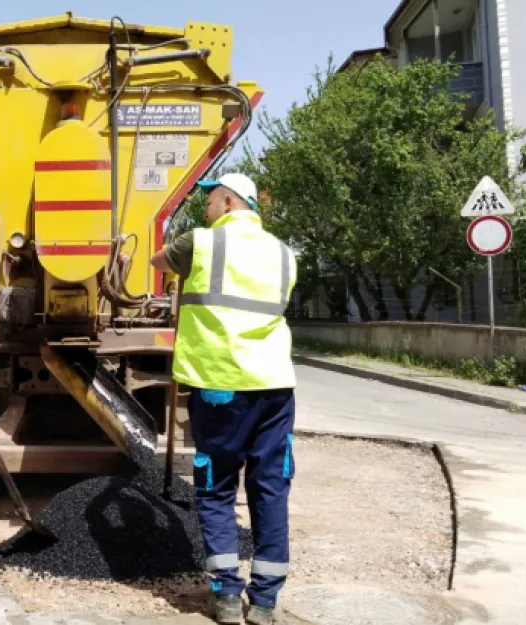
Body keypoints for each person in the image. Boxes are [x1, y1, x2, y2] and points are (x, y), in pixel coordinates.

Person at [150, 173, 297, 625]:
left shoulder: (200, 243)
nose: (205, 210)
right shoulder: (285, 253)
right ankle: (266, 602)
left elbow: (158, 261)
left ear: (230, 201)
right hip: (275, 386)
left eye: (210, 201)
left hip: (220, 388)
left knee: (215, 489)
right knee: (270, 487)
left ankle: (227, 596)